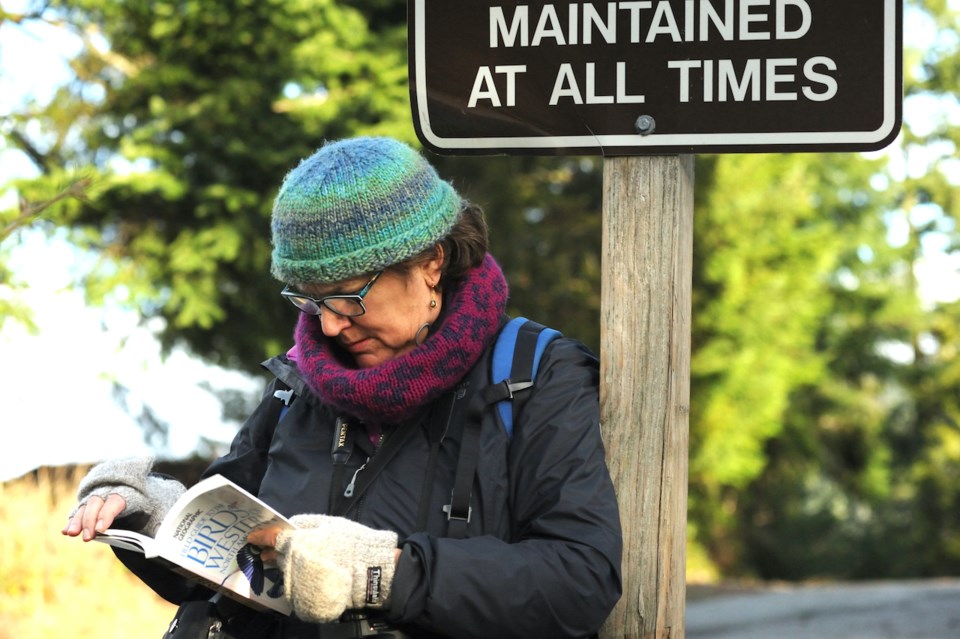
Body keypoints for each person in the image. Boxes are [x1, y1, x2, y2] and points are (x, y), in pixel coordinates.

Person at [63, 137, 622, 638]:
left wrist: (381, 573)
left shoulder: (534, 374)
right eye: (309, 297)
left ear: (432, 262)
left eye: (348, 296)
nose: (328, 325)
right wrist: (151, 521)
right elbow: (233, 554)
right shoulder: (297, 383)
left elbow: (581, 580)